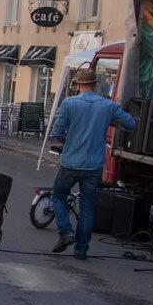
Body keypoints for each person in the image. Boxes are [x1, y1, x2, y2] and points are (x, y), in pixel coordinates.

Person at [49, 68, 136, 258]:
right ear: (95, 85)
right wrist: (111, 122)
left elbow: (57, 132)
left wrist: (67, 143)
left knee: (58, 196)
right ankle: (81, 249)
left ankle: (65, 232)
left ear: (77, 84)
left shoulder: (69, 103)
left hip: (71, 162)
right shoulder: (108, 106)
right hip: (94, 165)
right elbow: (131, 124)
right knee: (87, 207)